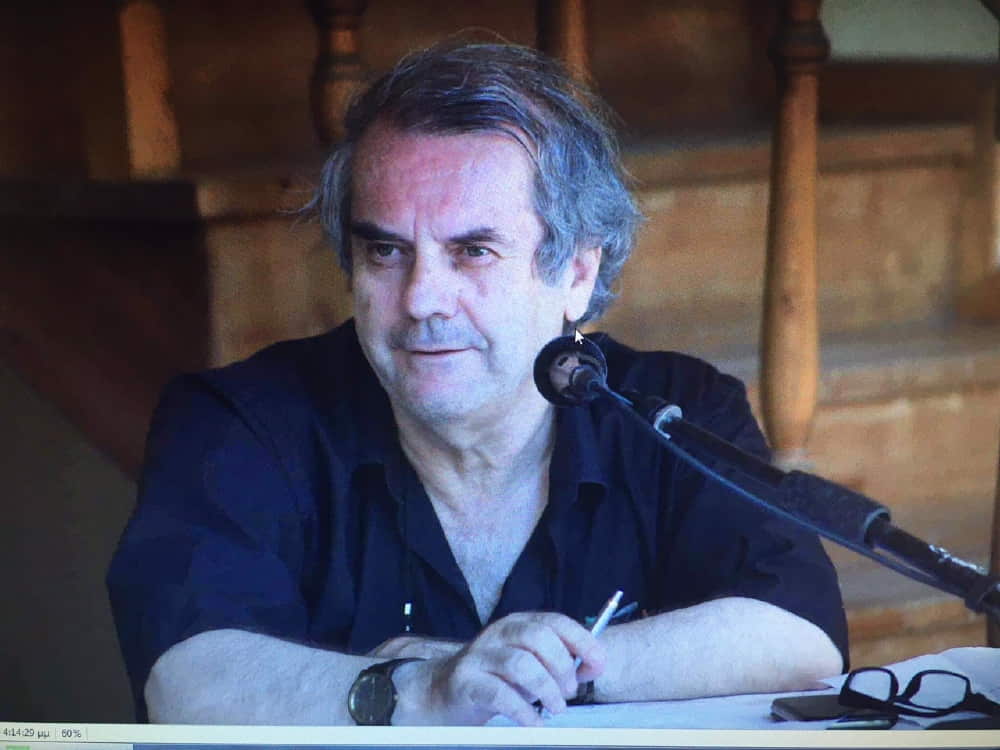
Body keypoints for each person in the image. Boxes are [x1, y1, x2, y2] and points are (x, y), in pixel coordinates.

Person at [107, 42, 847, 727]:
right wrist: (424, 689)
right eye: (386, 251)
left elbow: (801, 634)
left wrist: (535, 673)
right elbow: (185, 683)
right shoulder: (238, 422)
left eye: (473, 251)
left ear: (576, 273)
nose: (422, 299)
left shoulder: (675, 409)